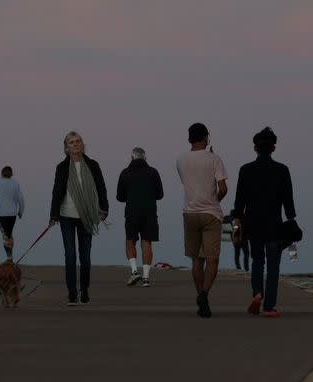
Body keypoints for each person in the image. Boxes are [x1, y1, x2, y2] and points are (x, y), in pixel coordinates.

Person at [232, 126, 296, 318]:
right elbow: (288, 201)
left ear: (255, 148)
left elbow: (239, 202)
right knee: (274, 265)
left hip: (253, 224)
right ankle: (269, 306)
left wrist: (236, 227)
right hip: (274, 225)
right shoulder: (282, 170)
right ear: (273, 148)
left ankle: (257, 293)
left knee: (257, 261)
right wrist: (291, 221)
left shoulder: (246, 170)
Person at [49, 131, 109, 306]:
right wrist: (53, 214)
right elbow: (57, 191)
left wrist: (104, 209)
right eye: (72, 142)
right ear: (66, 148)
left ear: (82, 145)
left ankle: (84, 289)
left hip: (87, 215)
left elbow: (101, 188)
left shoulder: (92, 165)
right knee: (70, 255)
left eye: (78, 141)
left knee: (85, 256)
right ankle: (72, 293)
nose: (76, 144)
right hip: (66, 215)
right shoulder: (61, 167)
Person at [176, 123, 228, 318]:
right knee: (212, 259)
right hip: (211, 214)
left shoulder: (180, 160)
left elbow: (188, 182)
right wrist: (215, 200)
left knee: (196, 260)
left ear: (189, 138)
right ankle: (205, 294)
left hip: (189, 212)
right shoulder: (215, 159)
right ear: (206, 137)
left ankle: (201, 299)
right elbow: (223, 188)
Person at [116, 147, 164, 287]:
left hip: (132, 211)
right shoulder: (153, 172)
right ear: (145, 158)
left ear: (132, 158)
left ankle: (134, 271)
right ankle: (146, 278)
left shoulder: (125, 173)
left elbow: (120, 197)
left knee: (130, 241)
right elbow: (160, 194)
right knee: (146, 243)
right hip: (149, 211)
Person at [0, 166, 25, 260]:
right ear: (11, 173)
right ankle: (10, 256)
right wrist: (20, 212)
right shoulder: (15, 183)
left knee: (5, 236)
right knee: (9, 234)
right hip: (12, 215)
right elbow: (21, 199)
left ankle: (9, 257)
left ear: (2, 173)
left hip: (1, 214)